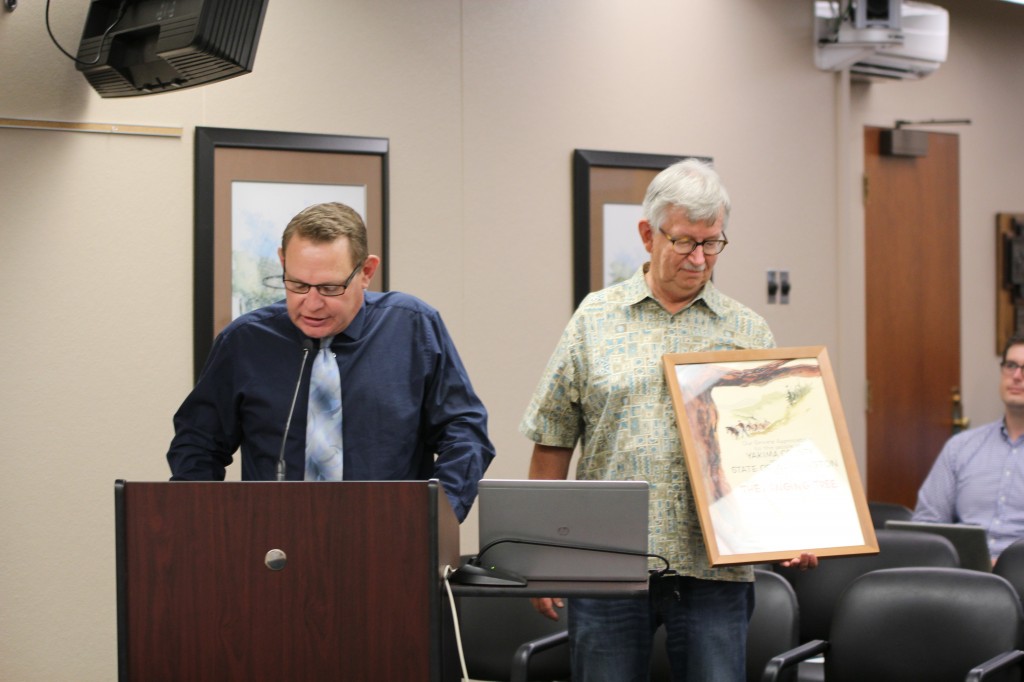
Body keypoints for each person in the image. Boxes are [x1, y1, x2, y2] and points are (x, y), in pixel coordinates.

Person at [519, 159, 817, 681]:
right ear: (647, 234)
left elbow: (778, 445)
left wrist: (796, 526)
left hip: (714, 569)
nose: (699, 258)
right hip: (607, 561)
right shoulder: (595, 319)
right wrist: (542, 555)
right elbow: (552, 440)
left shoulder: (747, 329)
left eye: (712, 242)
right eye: (684, 242)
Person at [167, 202, 494, 522]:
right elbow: (198, 444)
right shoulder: (244, 342)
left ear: (366, 272)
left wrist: (437, 517)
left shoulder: (413, 327)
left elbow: (464, 433)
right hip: (272, 545)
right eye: (297, 284)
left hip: (390, 541)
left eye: (329, 287)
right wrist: (206, 525)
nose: (311, 304)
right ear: (282, 262)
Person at [912, 333, 1024, 561]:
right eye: (1011, 365)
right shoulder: (961, 447)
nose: (1017, 376)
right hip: (964, 578)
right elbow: (926, 526)